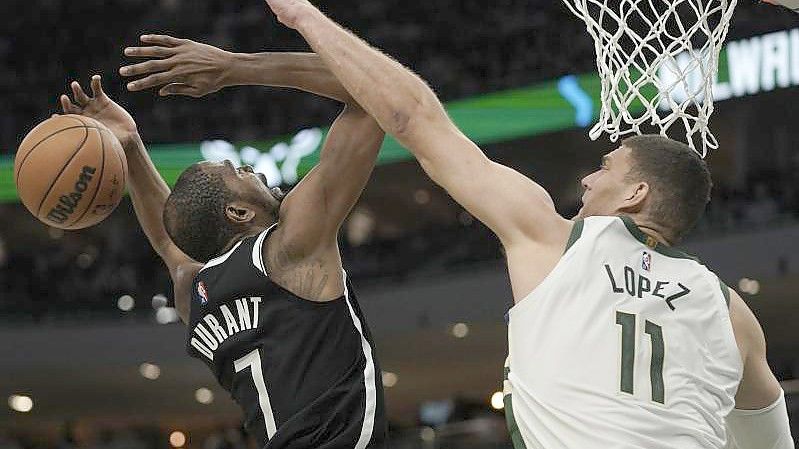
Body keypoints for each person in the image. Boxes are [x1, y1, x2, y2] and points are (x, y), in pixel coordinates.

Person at [227, 1, 790, 448]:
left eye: (604, 168)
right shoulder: (733, 314)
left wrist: (302, 14)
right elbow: (770, 437)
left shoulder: (558, 240)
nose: (588, 181)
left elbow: (414, 117)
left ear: (635, 194)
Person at [59, 42, 387, 447]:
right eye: (239, 171)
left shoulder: (194, 294)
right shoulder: (288, 246)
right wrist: (235, 66)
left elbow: (167, 239)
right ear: (239, 213)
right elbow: (373, 93)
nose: (252, 170)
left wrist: (130, 146)